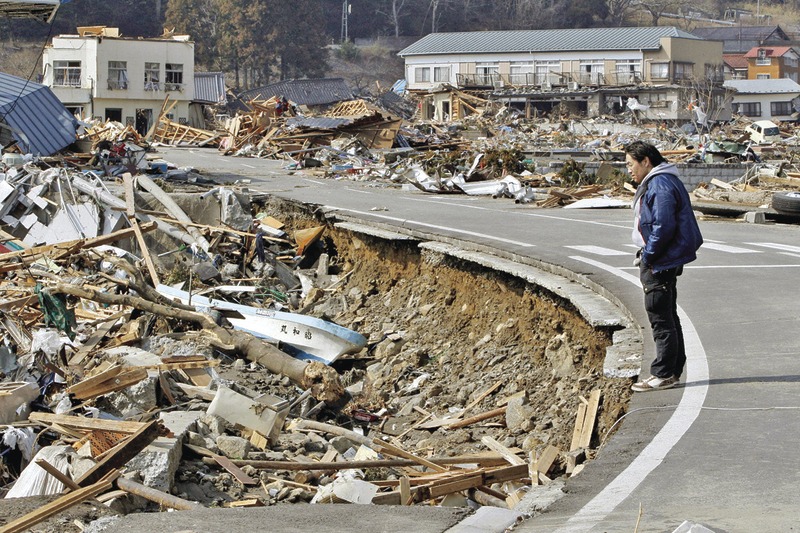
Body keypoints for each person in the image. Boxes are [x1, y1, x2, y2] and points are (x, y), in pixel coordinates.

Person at [625, 141, 703, 392]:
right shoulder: (664, 180)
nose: (628, 170)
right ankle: (672, 370)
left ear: (646, 161)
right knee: (668, 314)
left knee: (659, 315)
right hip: (664, 258)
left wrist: (648, 255)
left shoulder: (660, 183)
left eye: (630, 164)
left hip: (660, 260)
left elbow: (663, 225)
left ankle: (663, 373)